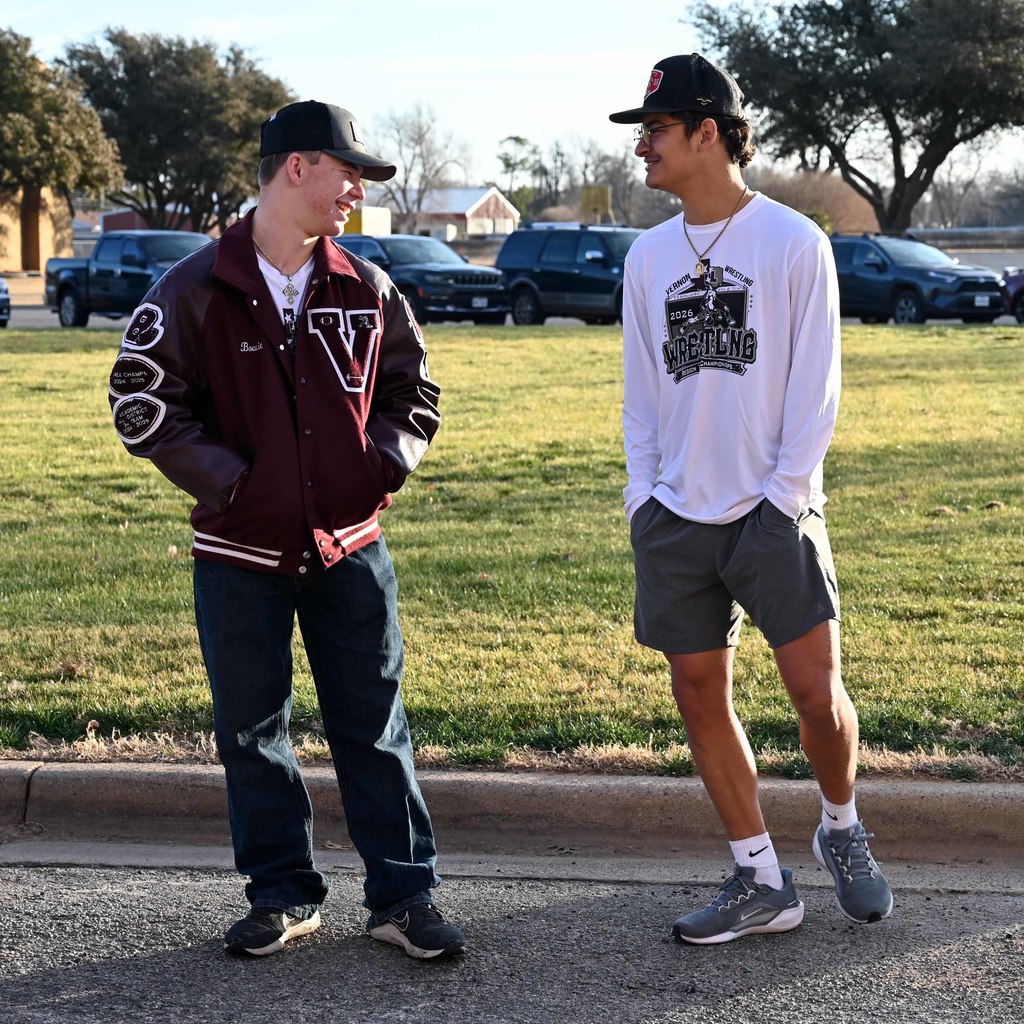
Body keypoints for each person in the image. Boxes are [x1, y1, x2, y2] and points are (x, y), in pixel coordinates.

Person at [108, 100, 466, 961]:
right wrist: (235, 486)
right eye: (348, 173)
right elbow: (141, 402)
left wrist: (375, 468)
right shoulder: (192, 287)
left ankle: (403, 896)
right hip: (240, 553)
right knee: (251, 730)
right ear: (296, 167)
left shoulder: (366, 287)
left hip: (351, 548)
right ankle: (281, 894)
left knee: (374, 724)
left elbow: (414, 395)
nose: (355, 192)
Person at [609, 54, 893, 945]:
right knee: (700, 693)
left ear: (708, 133)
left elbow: (818, 390)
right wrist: (642, 498)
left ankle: (841, 825)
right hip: (675, 518)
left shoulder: (792, 242)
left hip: (775, 515)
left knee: (816, 694)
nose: (642, 149)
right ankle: (760, 877)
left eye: (655, 131)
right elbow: (641, 391)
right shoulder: (649, 256)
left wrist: (784, 499)